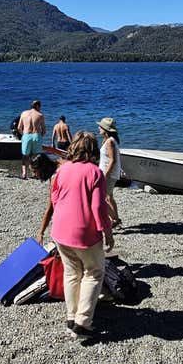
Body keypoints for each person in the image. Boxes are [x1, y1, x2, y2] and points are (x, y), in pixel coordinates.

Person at [36, 131, 114, 339]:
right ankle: (82, 322)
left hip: (60, 231)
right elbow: (98, 207)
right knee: (94, 272)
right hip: (84, 234)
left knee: (71, 273)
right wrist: (107, 232)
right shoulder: (95, 172)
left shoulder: (62, 170)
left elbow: (55, 198)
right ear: (93, 150)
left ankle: (71, 317)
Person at [97, 117, 122, 228]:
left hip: (109, 174)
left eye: (100, 126)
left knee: (102, 199)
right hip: (111, 173)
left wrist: (105, 175)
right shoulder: (111, 140)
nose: (99, 128)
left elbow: (112, 160)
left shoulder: (109, 142)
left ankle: (115, 219)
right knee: (109, 197)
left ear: (105, 129)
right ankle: (115, 218)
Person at [17, 100, 46, 179]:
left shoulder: (24, 113)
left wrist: (24, 135)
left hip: (26, 135)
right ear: (37, 106)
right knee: (36, 156)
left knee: (25, 156)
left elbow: (19, 128)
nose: (40, 108)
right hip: (37, 135)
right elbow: (44, 130)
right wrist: (40, 136)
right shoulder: (40, 115)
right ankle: (35, 174)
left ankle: (24, 173)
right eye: (40, 106)